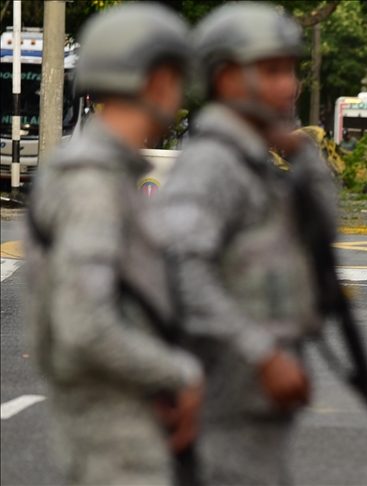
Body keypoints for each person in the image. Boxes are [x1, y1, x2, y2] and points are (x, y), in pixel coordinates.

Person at [25, 4, 204, 485]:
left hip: (124, 414)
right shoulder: (93, 184)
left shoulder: (100, 173)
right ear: (157, 82)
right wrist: (178, 372)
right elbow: (85, 327)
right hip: (117, 430)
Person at [151, 4, 325, 484]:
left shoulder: (252, 158)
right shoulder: (212, 164)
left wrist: (302, 156)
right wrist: (262, 355)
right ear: (226, 78)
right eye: (271, 72)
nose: (289, 86)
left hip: (252, 400)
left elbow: (320, 235)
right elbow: (184, 270)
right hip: (221, 397)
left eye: (290, 70)